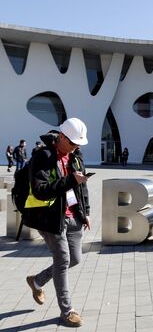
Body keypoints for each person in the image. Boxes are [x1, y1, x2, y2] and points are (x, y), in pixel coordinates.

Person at [24, 118, 91, 327]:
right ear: (61, 136)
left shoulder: (76, 156)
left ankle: (36, 281)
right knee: (62, 260)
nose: (76, 147)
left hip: (74, 216)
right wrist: (70, 180)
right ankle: (67, 311)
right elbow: (40, 190)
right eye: (72, 143)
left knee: (75, 259)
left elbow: (82, 188)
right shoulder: (43, 156)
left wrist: (86, 211)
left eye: (79, 144)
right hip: (51, 217)